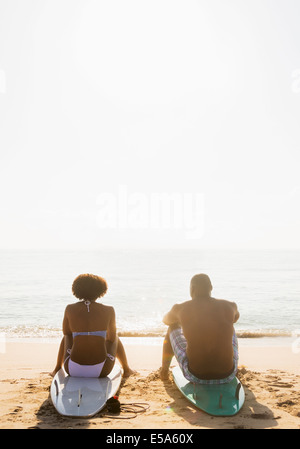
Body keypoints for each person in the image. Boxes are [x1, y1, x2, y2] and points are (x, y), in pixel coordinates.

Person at [160, 274, 240, 384]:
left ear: (192, 289)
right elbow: (235, 318)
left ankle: (164, 371)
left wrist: (182, 319)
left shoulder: (180, 308)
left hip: (195, 375)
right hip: (228, 374)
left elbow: (166, 321)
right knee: (229, 324)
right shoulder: (230, 306)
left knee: (172, 327)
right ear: (211, 287)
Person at [51, 273, 134, 378]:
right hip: (102, 370)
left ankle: (57, 368)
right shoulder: (109, 310)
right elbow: (111, 339)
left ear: (76, 289)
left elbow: (66, 333)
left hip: (72, 369)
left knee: (67, 336)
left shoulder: (69, 308)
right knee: (115, 337)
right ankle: (126, 369)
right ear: (101, 290)